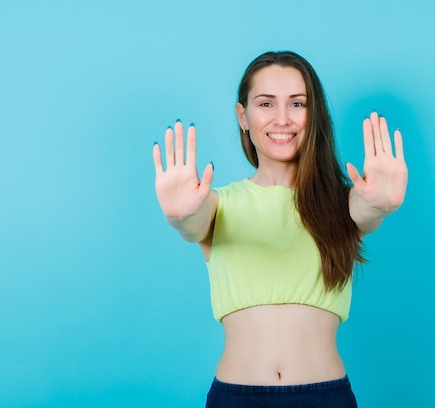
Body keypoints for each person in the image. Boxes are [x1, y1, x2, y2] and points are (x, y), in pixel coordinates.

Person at [152, 51, 408, 408]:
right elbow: (193, 224)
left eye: (298, 104)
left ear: (313, 112)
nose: (283, 119)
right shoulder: (215, 204)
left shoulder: (344, 202)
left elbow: (366, 212)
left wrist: (379, 204)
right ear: (243, 116)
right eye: (266, 104)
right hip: (235, 398)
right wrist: (180, 216)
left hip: (325, 397)